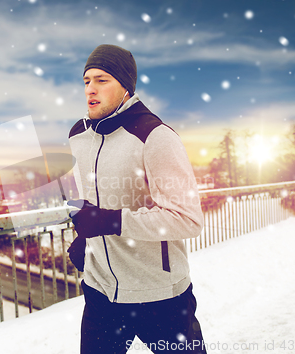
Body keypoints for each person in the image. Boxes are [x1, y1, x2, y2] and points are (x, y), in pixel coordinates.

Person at [67, 44, 207, 354]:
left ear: (126, 87)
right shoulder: (78, 136)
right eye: (86, 80)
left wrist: (111, 221)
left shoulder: (154, 136)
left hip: (159, 297)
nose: (91, 88)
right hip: (100, 291)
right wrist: (86, 238)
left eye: (102, 80)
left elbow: (188, 218)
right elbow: (92, 202)